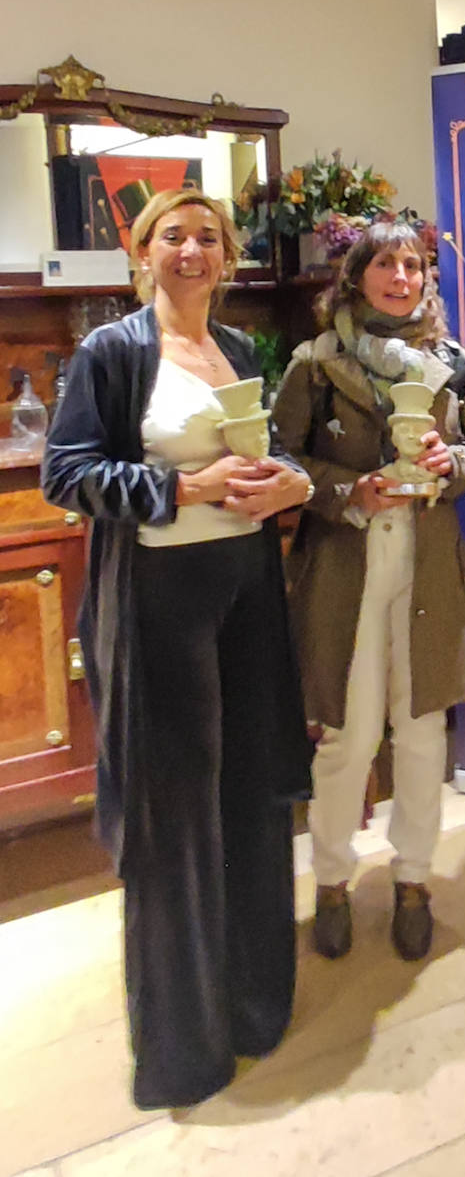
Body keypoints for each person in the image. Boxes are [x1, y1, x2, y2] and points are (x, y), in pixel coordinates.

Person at [42, 188, 314, 1109]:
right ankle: (185, 1047)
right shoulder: (112, 352)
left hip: (245, 597)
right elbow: (67, 473)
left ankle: (253, 1006)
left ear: (227, 253)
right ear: (142, 250)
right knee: (175, 821)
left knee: (245, 798)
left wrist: (281, 484)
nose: (191, 251)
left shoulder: (238, 349)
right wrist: (184, 489)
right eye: (172, 236)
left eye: (207, 236)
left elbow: (262, 453)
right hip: (159, 606)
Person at [273, 220, 465, 963]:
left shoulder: (449, 362)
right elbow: (285, 461)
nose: (403, 276)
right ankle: (331, 881)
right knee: (347, 737)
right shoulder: (315, 362)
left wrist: (448, 459)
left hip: (428, 565)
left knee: (423, 733)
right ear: (357, 274)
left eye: (415, 264)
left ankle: (413, 881)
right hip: (345, 570)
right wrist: (350, 489)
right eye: (387, 263)